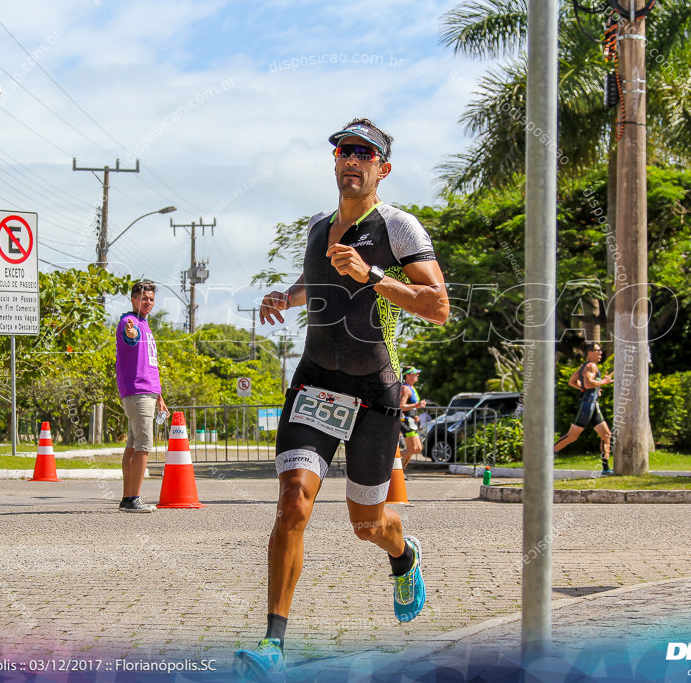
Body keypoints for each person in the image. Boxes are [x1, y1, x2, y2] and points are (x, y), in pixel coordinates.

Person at [234, 118, 449, 679]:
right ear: (334, 163)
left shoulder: (397, 228)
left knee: (367, 525)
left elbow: (438, 305)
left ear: (383, 168)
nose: (351, 160)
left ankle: (403, 556)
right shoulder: (316, 228)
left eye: (364, 153)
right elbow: (323, 282)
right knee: (292, 504)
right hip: (314, 383)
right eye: (343, 151)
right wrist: (289, 295)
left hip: (373, 392)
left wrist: (374, 274)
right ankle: (273, 644)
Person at [115, 280, 167, 513]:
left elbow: (150, 364)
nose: (149, 303)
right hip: (137, 391)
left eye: (152, 299)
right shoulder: (130, 322)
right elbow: (130, 336)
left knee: (133, 446)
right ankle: (134, 498)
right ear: (134, 299)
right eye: (144, 298)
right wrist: (131, 332)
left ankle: (127, 498)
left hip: (146, 392)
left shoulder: (145, 324)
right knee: (144, 445)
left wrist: (159, 396)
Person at [554, 342, 614, 474]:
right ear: (590, 352)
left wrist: (592, 389)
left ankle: (605, 468)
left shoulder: (584, 367)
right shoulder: (590, 366)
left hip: (592, 404)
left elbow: (572, 381)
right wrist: (603, 382)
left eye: (600, 351)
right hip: (587, 405)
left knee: (606, 435)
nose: (600, 353)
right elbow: (588, 383)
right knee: (572, 436)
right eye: (598, 351)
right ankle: (546, 455)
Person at [398, 366, 426, 472]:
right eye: (414, 373)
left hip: (411, 420)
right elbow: (401, 406)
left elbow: (412, 406)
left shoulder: (412, 388)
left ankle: (399, 471)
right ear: (408, 375)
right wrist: (417, 405)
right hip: (405, 420)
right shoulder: (405, 389)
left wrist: (415, 414)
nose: (417, 375)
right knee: (412, 449)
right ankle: (392, 460)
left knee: (418, 449)